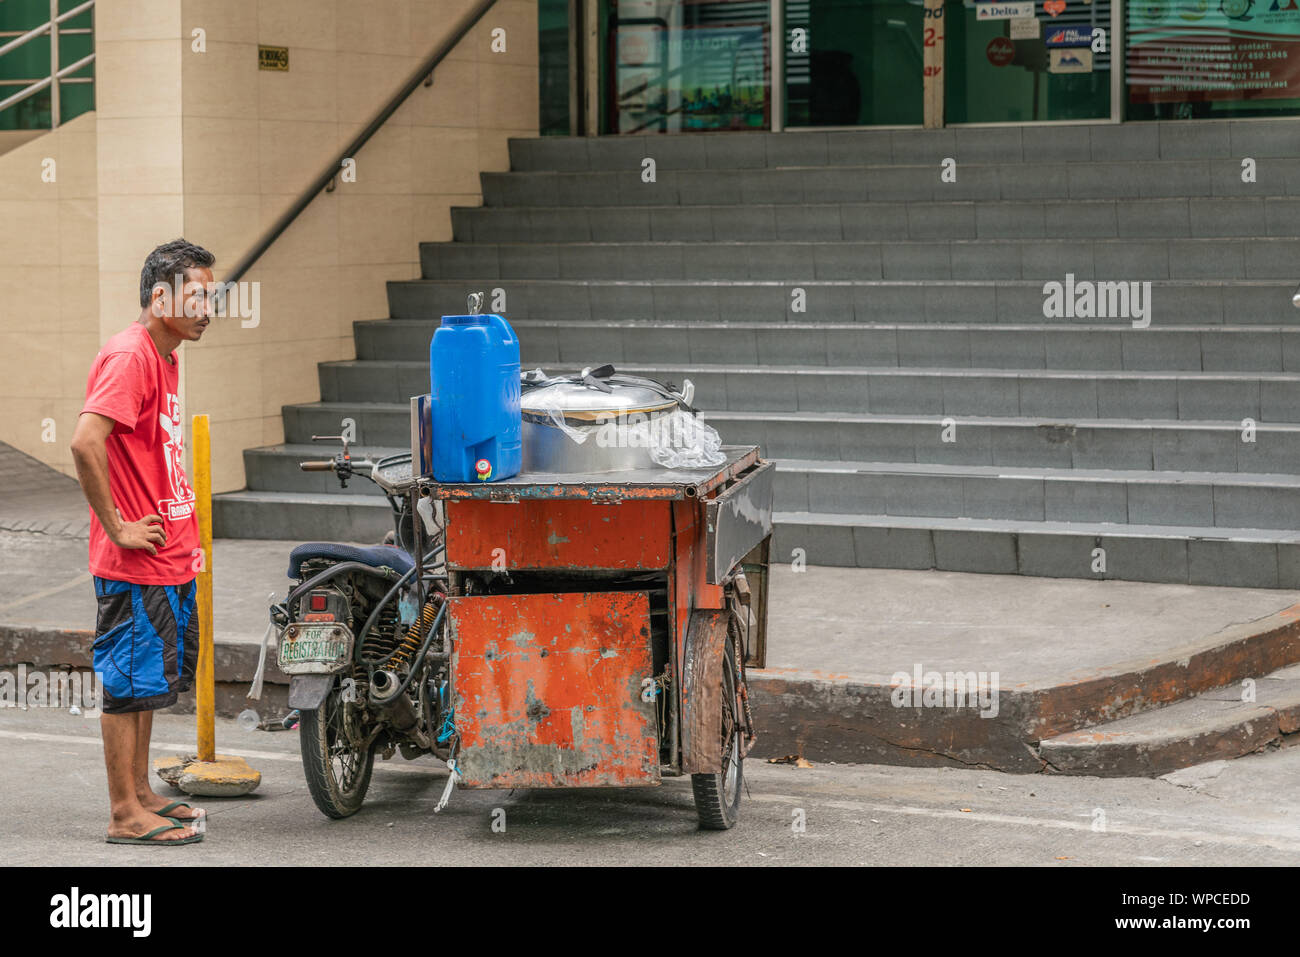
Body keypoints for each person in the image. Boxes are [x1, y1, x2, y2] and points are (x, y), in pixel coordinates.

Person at [70, 238, 217, 845]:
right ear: (161, 296)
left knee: (148, 682)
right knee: (127, 682)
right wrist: (118, 526)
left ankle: (140, 792)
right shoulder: (131, 355)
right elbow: (84, 442)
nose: (210, 307)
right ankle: (123, 813)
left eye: (214, 295)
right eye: (199, 295)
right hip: (133, 560)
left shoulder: (168, 355)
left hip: (167, 556)